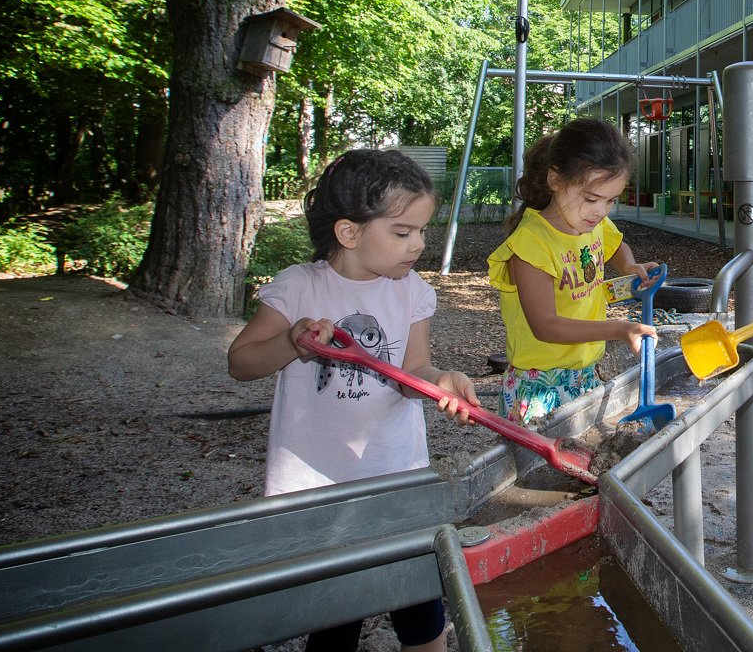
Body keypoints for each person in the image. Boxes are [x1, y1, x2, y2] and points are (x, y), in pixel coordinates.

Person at [228, 148, 477, 652]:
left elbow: (410, 374)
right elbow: (241, 362)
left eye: (423, 231)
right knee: (336, 614)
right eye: (403, 232)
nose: (419, 245)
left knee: (421, 608)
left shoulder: (411, 291)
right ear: (349, 233)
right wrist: (291, 341)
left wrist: (439, 381)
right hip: (321, 485)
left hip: (395, 475)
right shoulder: (301, 286)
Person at [487, 118, 658, 424]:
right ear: (555, 179)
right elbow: (546, 325)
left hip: (584, 375)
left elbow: (615, 246)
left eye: (610, 201)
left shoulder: (590, 223)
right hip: (539, 386)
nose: (601, 211)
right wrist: (619, 330)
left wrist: (629, 266)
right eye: (592, 199)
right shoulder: (531, 244)